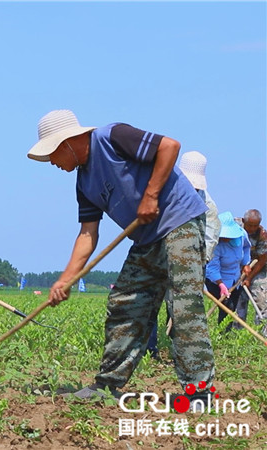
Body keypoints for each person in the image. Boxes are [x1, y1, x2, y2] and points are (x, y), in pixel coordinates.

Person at [27, 109, 214, 407]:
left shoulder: (111, 137)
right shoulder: (84, 184)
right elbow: (88, 234)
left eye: (52, 155)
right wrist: (66, 279)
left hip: (179, 222)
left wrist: (151, 196)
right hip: (146, 239)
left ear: (68, 143)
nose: (52, 162)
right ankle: (107, 385)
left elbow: (170, 146)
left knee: (183, 307)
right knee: (125, 302)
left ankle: (199, 393)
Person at [145, 151, 221, 359]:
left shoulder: (208, 206)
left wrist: (195, 264)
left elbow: (210, 237)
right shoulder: (163, 193)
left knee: (181, 310)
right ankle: (148, 351)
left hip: (188, 265)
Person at [207, 212, 251, 331]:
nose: (226, 238)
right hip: (217, 279)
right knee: (227, 305)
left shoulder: (241, 235)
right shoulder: (215, 245)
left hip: (235, 277)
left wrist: (245, 264)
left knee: (235, 304)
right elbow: (212, 267)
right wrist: (221, 284)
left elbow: (246, 248)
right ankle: (223, 335)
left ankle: (230, 333)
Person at [239, 209, 267, 332]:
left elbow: (262, 259)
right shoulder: (235, 228)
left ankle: (262, 331)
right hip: (236, 268)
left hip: (257, 268)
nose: (252, 228)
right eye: (250, 225)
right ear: (244, 221)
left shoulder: (262, 234)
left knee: (261, 297)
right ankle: (236, 331)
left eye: (255, 225)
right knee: (238, 299)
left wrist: (249, 278)